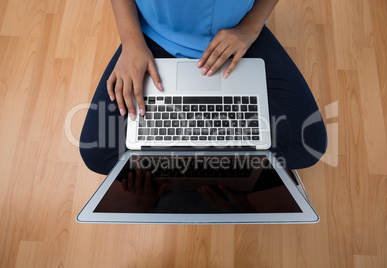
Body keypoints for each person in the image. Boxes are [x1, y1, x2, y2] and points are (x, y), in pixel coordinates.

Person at [79, 0, 327, 175]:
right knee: (97, 154)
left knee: (307, 146)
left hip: (235, 35)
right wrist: (131, 42)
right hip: (153, 36)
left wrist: (250, 28)